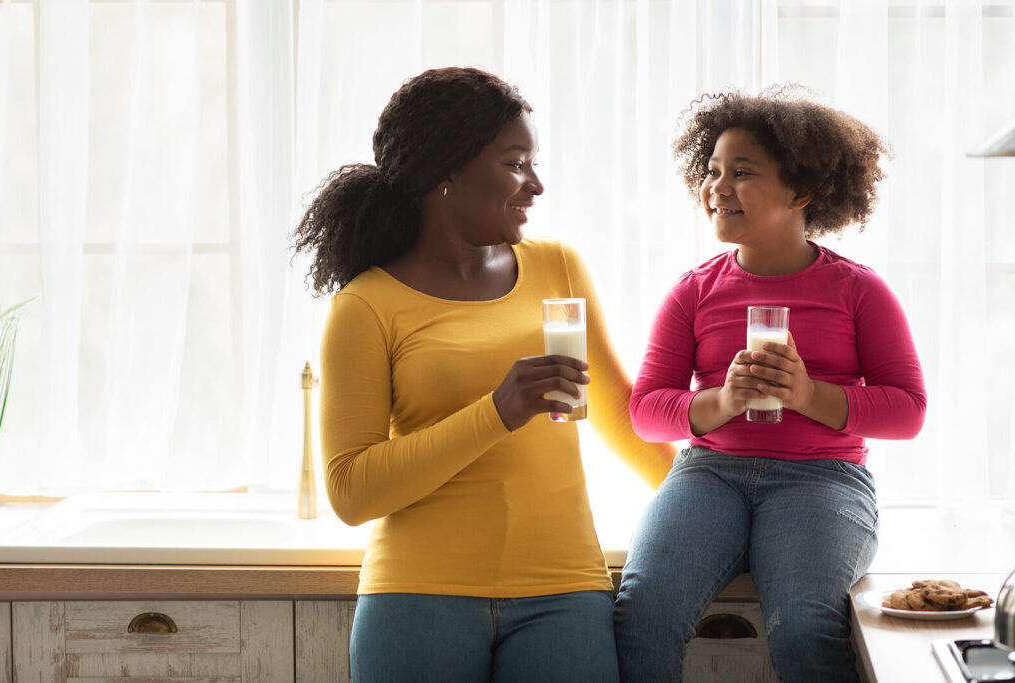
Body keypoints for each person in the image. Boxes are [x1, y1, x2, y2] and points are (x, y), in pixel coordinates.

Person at [292, 67, 675, 683]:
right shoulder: (365, 305)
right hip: (417, 595)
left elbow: (622, 414)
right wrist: (497, 411)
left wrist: (721, 505)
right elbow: (352, 491)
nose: (537, 185)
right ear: (446, 172)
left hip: (565, 591)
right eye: (517, 163)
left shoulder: (557, 267)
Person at [612, 87, 927, 682]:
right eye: (712, 171)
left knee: (807, 626)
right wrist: (722, 401)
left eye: (743, 172)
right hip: (709, 474)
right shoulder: (693, 291)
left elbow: (907, 411)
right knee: (641, 613)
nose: (718, 187)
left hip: (823, 478)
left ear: (802, 192)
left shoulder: (858, 290)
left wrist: (809, 396)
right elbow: (647, 412)